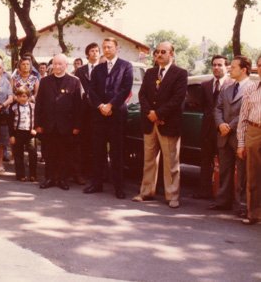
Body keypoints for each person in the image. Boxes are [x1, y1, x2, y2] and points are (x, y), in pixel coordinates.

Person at [132, 42, 187, 208]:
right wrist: (150, 113)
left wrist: (159, 114)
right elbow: (142, 95)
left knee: (171, 162)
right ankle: (146, 192)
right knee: (149, 160)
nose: (159, 55)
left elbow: (178, 99)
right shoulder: (149, 72)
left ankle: (172, 196)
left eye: (163, 52)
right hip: (150, 123)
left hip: (168, 123)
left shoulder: (180, 73)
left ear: (172, 54)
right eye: (157, 52)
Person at [84, 37, 133, 199]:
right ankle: (96, 183)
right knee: (97, 150)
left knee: (117, 151)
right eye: (104, 47)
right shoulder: (98, 69)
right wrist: (100, 106)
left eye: (109, 47)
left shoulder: (126, 66)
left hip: (117, 114)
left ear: (116, 48)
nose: (106, 50)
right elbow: (91, 91)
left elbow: (125, 89)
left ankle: (119, 187)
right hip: (99, 115)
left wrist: (111, 105)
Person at [210, 56, 254, 214]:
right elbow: (217, 108)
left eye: (234, 67)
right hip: (224, 135)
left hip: (240, 137)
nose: (230, 69)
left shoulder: (252, 87)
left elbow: (246, 112)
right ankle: (223, 201)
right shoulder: (227, 87)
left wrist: (230, 126)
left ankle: (242, 205)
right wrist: (220, 124)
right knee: (225, 170)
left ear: (243, 70)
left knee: (242, 173)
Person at [35, 53, 82, 190]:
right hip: (48, 124)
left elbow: (78, 106)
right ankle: (49, 178)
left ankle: (62, 179)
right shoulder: (44, 81)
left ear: (66, 65)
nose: (57, 66)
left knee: (64, 153)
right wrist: (37, 124)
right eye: (55, 64)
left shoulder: (74, 81)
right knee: (49, 153)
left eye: (60, 64)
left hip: (66, 125)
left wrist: (77, 125)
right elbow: (39, 104)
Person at [193, 55, 232, 200]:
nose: (216, 67)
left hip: (225, 130)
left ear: (226, 67)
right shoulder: (205, 85)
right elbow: (203, 107)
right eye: (214, 65)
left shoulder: (232, 84)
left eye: (219, 65)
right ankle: (204, 192)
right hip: (207, 130)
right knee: (205, 161)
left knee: (224, 163)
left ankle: (222, 194)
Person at [237, 55, 261, 225]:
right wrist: (241, 143)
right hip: (254, 131)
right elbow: (243, 117)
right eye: (260, 65)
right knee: (253, 175)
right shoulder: (251, 88)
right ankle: (253, 213)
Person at [74, 42, 102, 184]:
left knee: (98, 142)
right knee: (84, 142)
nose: (95, 53)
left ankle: (98, 173)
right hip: (84, 111)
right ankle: (83, 172)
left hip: (100, 111)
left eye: (97, 51)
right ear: (87, 54)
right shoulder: (81, 70)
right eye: (92, 50)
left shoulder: (104, 69)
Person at [8, 87, 37, 181]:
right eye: (19, 96)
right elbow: (10, 122)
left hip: (30, 133)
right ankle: (21, 175)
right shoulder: (13, 107)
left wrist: (35, 129)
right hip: (18, 133)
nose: (22, 98)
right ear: (16, 97)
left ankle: (33, 174)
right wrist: (12, 135)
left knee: (32, 153)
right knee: (18, 154)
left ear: (28, 97)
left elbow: (37, 119)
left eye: (24, 96)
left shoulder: (33, 107)